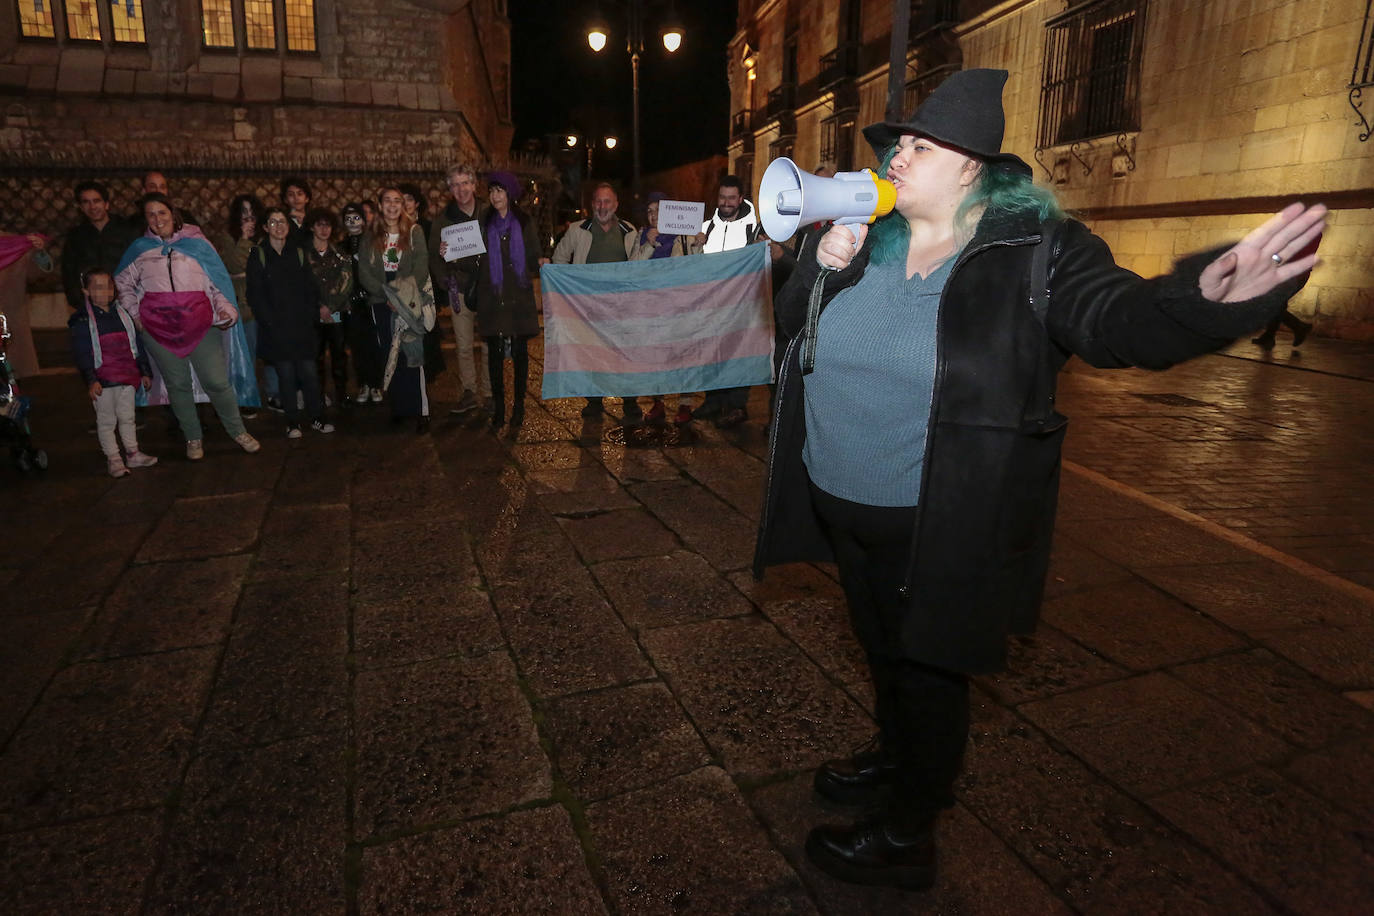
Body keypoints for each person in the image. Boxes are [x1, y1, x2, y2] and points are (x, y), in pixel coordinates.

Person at [752, 68, 1325, 892]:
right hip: (840, 496)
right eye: (898, 145)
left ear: (974, 168)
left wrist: (1204, 296)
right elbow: (788, 328)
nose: (899, 158)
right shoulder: (855, 237)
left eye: (921, 146)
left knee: (929, 669)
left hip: (939, 511)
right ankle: (893, 752)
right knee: (877, 642)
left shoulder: (1036, 251)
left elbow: (1117, 322)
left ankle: (911, 832)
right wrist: (822, 269)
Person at [115, 193, 261, 460]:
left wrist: (226, 309)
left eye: (162, 212)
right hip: (158, 328)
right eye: (151, 214)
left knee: (217, 381)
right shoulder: (140, 249)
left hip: (200, 323)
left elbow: (215, 282)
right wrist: (136, 316)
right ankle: (193, 437)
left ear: (173, 213)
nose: (158, 219)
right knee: (177, 384)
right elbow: (123, 284)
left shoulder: (198, 244)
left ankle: (238, 430)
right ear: (145, 219)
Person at [551, 181, 638, 420]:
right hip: (588, 306)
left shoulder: (629, 231)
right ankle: (594, 401)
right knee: (593, 354)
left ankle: (630, 401)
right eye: (598, 201)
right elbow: (559, 258)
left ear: (616, 204)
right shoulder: (578, 230)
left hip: (621, 306)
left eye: (607, 201)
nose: (602, 206)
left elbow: (640, 264)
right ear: (592, 205)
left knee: (625, 355)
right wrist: (567, 289)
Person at [247, 207, 335, 439]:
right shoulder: (259, 254)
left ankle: (317, 417)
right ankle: (292, 422)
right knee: (285, 376)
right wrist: (270, 322)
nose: (278, 226)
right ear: (265, 228)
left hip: (301, 326)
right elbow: (255, 294)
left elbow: (310, 287)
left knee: (309, 374)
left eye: (282, 221)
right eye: (273, 222)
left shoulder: (297, 253)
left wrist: (309, 316)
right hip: (276, 328)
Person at [357, 186, 434, 433]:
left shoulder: (414, 232)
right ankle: (399, 407)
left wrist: (401, 297)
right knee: (389, 354)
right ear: (380, 205)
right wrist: (384, 294)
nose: (392, 205)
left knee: (412, 354)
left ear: (403, 206)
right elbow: (364, 273)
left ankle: (421, 411)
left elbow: (421, 267)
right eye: (387, 201)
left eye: (397, 201)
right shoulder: (370, 236)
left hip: (408, 298)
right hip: (381, 301)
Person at [68, 268, 158, 476]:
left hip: (127, 376)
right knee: (107, 420)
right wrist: (91, 380)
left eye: (108, 286)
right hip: (104, 380)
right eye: (98, 287)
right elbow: (83, 354)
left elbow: (136, 344)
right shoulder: (82, 321)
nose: (105, 291)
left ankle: (133, 453)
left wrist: (144, 371)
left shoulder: (122, 314)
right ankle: (114, 458)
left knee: (128, 417)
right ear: (86, 291)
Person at [473, 171, 542, 433]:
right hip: (492, 295)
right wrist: (451, 251)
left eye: (499, 191)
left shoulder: (524, 222)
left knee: (521, 354)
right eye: (491, 191)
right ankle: (499, 409)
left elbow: (535, 252)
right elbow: (471, 253)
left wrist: (541, 261)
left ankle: (519, 407)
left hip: (518, 296)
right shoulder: (483, 221)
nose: (494, 196)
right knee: (494, 356)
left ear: (510, 194)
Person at [694, 175, 763, 429]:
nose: (726, 202)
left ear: (741, 198)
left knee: (737, 355)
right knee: (710, 352)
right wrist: (695, 245)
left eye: (731, 197)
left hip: (741, 304)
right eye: (722, 197)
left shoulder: (753, 227)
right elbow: (693, 264)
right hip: (711, 303)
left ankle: (736, 405)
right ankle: (712, 401)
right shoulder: (705, 227)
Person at [428, 163, 493, 416]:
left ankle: (489, 393)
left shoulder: (488, 213)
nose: (461, 189)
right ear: (449, 189)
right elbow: (434, 256)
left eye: (465, 182)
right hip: (460, 288)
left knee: (489, 342)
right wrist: (446, 279)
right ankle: (469, 390)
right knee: (464, 344)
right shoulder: (443, 219)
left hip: (487, 286)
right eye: (455, 184)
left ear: (474, 185)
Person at [631, 191, 699, 425]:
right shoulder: (640, 235)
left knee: (682, 355)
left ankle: (685, 405)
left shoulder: (684, 235)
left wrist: (698, 244)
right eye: (649, 211)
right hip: (652, 305)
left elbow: (695, 263)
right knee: (657, 356)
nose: (653, 216)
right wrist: (649, 244)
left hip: (679, 305)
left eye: (658, 210)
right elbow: (633, 267)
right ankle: (658, 403)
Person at [217, 194, 269, 417]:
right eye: (244, 212)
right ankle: (244, 398)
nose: (249, 217)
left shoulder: (265, 236)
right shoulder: (228, 237)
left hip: (265, 303)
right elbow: (234, 263)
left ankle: (271, 394)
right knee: (241, 355)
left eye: (252, 212)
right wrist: (245, 240)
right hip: (240, 304)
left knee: (265, 353)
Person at [62, 181, 140, 312]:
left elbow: (139, 266)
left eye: (96, 201)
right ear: (81, 207)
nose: (92, 207)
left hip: (125, 304)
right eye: (86, 202)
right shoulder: (75, 236)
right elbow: (68, 272)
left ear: (106, 204)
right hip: (89, 307)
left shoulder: (127, 231)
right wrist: (78, 301)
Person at [305, 207, 353, 409]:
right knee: (315, 357)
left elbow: (347, 283)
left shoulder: (340, 254)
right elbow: (301, 284)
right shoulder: (304, 255)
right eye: (320, 224)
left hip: (336, 312)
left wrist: (331, 306)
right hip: (313, 313)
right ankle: (318, 395)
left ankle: (342, 395)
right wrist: (318, 307)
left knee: (339, 356)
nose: (324, 229)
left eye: (328, 225)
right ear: (312, 227)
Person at [340, 202, 383, 404]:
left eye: (356, 217)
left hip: (372, 298)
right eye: (348, 218)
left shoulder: (373, 242)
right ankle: (363, 384)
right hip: (352, 303)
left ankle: (376, 384)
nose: (352, 222)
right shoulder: (341, 246)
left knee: (375, 344)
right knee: (357, 345)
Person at [280, 176, 314, 249]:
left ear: (307, 198)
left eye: (300, 194)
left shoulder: (314, 220)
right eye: (291, 194)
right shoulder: (281, 221)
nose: (296, 198)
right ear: (285, 199)